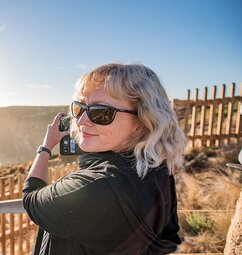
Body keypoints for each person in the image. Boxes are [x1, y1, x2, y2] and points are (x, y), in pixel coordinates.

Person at [22, 63, 187, 254]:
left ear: (143, 121)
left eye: (101, 112)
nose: (82, 121)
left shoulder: (95, 187)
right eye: (79, 108)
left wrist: (45, 147)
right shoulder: (159, 170)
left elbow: (31, 198)